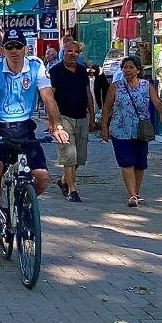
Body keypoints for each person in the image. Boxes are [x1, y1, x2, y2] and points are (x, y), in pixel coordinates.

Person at [0, 28, 66, 235]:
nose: (14, 51)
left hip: (24, 127)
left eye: (18, 46)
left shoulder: (36, 65)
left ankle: (23, 204)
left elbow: (48, 98)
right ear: (3, 49)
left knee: (42, 177)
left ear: (25, 47)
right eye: (9, 47)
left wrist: (56, 125)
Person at [100, 56, 162, 207]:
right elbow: (106, 108)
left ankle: (136, 193)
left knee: (140, 163)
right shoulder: (115, 87)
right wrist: (104, 127)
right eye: (125, 67)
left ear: (138, 70)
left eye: (131, 67)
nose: (127, 70)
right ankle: (132, 195)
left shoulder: (146, 85)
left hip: (140, 130)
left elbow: (156, 101)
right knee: (127, 162)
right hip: (120, 130)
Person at [48, 38, 96, 203]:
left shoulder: (82, 70)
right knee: (69, 155)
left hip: (81, 116)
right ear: (63, 52)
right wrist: (53, 122)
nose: (73, 54)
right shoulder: (56, 71)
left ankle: (63, 180)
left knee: (80, 157)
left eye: (76, 52)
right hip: (63, 118)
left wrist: (92, 115)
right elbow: (50, 98)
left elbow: (87, 93)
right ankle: (72, 189)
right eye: (69, 51)